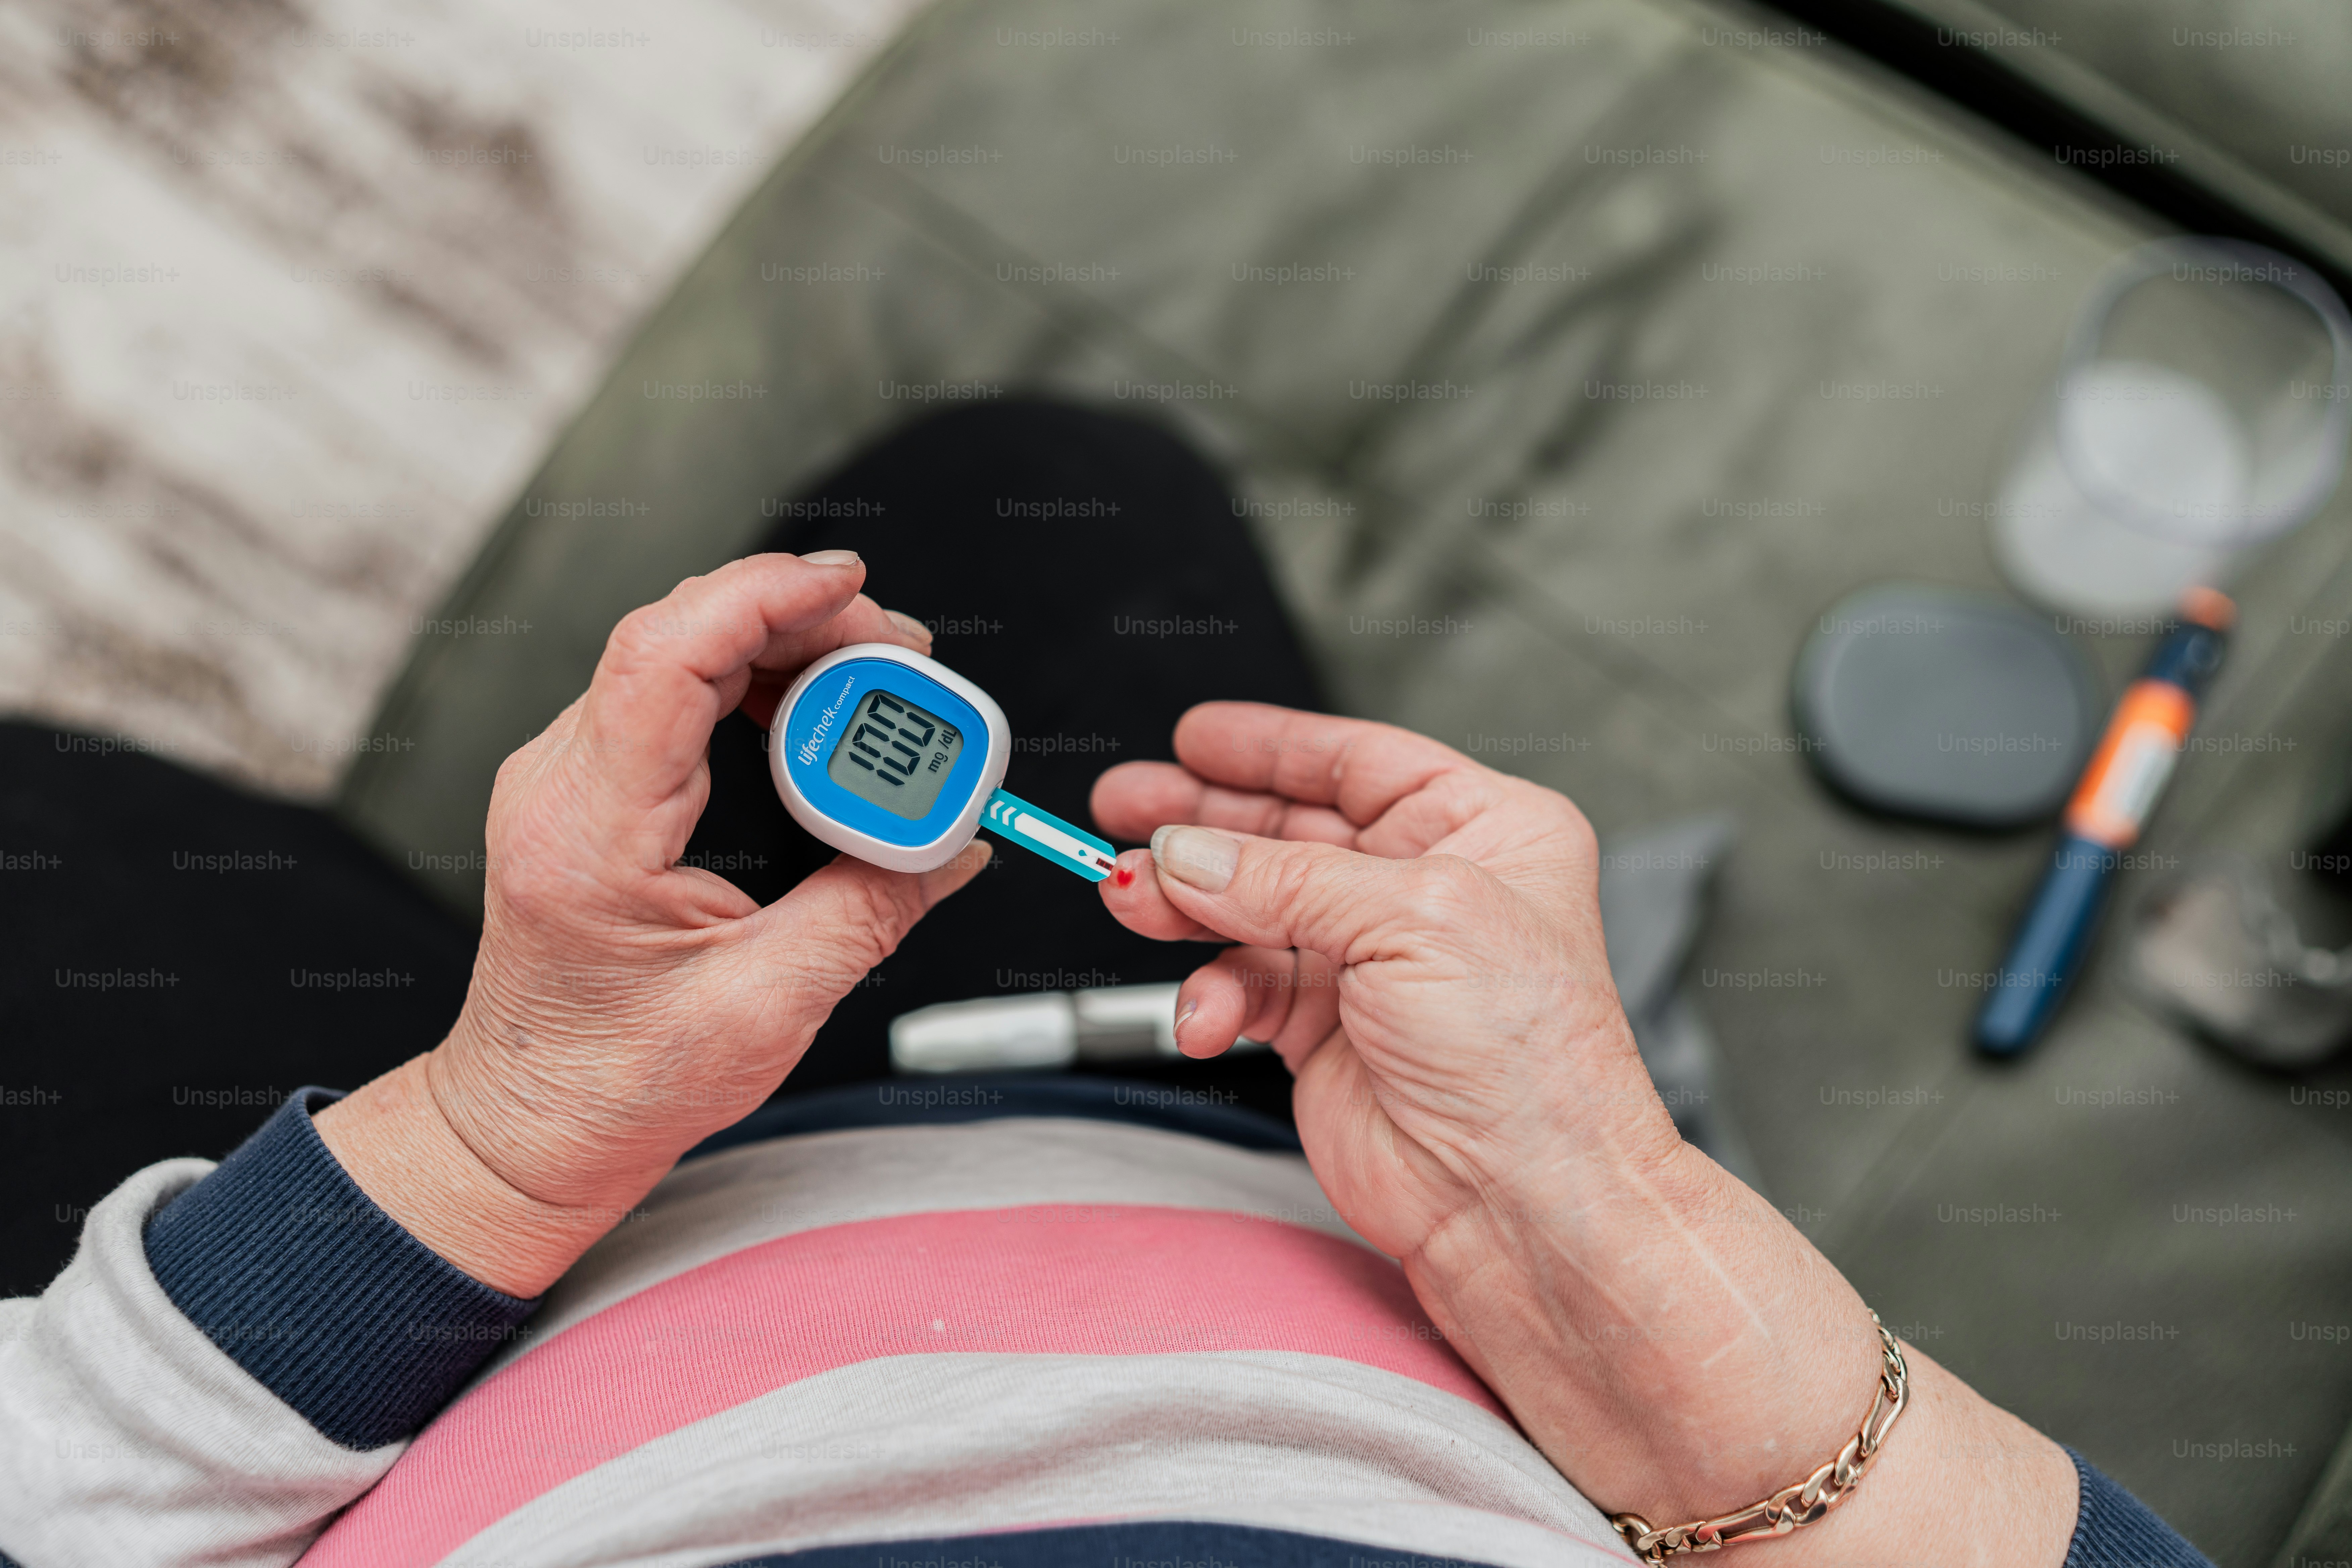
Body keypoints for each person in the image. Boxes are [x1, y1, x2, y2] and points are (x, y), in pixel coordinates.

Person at [0, 406, 2209, 1568]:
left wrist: (497, 1138)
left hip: (442, 1325)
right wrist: (1634, 1264)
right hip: (1343, 1175)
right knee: (1049, 489)